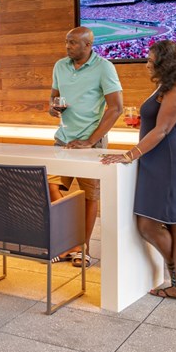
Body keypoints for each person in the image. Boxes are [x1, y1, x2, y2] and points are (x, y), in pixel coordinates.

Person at [101, 40, 176, 301]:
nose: (146, 63)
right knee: (148, 224)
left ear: (166, 62)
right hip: (159, 163)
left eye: (151, 60)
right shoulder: (167, 85)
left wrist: (128, 155)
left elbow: (162, 130)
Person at [47, 26, 123, 268]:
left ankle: (83, 248)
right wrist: (53, 108)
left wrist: (90, 141)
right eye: (66, 42)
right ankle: (71, 243)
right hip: (63, 140)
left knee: (90, 197)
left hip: (92, 144)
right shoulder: (60, 66)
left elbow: (116, 108)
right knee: (50, 187)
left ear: (88, 45)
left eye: (72, 43)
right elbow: (54, 98)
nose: (67, 47)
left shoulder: (104, 67)